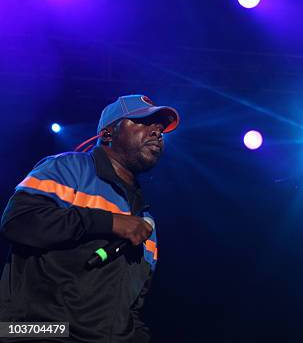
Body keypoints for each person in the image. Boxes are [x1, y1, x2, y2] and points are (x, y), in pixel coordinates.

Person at [0, 94, 179, 342]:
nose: (156, 133)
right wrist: (109, 222)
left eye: (160, 128)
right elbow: (18, 222)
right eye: (142, 122)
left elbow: (132, 306)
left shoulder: (145, 219)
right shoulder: (67, 168)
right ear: (108, 134)